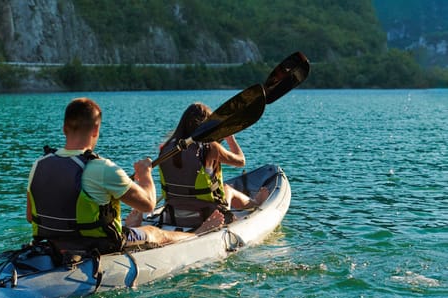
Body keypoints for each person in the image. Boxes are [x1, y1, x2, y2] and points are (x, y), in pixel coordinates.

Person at [26, 98, 222, 255]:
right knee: (155, 233)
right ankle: (199, 234)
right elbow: (148, 205)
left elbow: (30, 217)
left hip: (51, 242)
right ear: (96, 130)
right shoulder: (102, 168)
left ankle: (128, 225)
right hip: (100, 245)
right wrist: (145, 175)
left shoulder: (39, 164)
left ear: (64, 129)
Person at [158, 102, 269, 228]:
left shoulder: (166, 148)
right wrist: (230, 139)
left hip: (173, 213)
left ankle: (254, 202)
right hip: (209, 216)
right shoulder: (210, 147)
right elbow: (241, 161)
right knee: (227, 189)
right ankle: (255, 202)